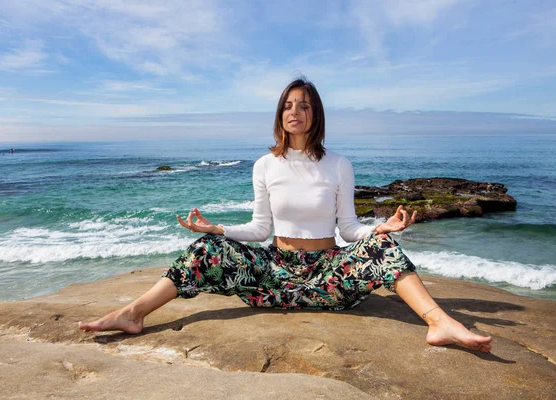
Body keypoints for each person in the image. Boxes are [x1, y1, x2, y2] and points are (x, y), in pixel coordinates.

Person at [79, 78, 492, 352]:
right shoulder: (265, 164)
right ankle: (132, 314)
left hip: (329, 276)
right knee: (206, 249)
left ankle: (439, 323)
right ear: (280, 114)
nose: (295, 111)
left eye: (304, 106)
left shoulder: (339, 164)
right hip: (273, 276)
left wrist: (381, 227)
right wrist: (216, 228)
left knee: (382, 245)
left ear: (316, 115)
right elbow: (260, 229)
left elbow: (349, 229)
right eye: (288, 106)